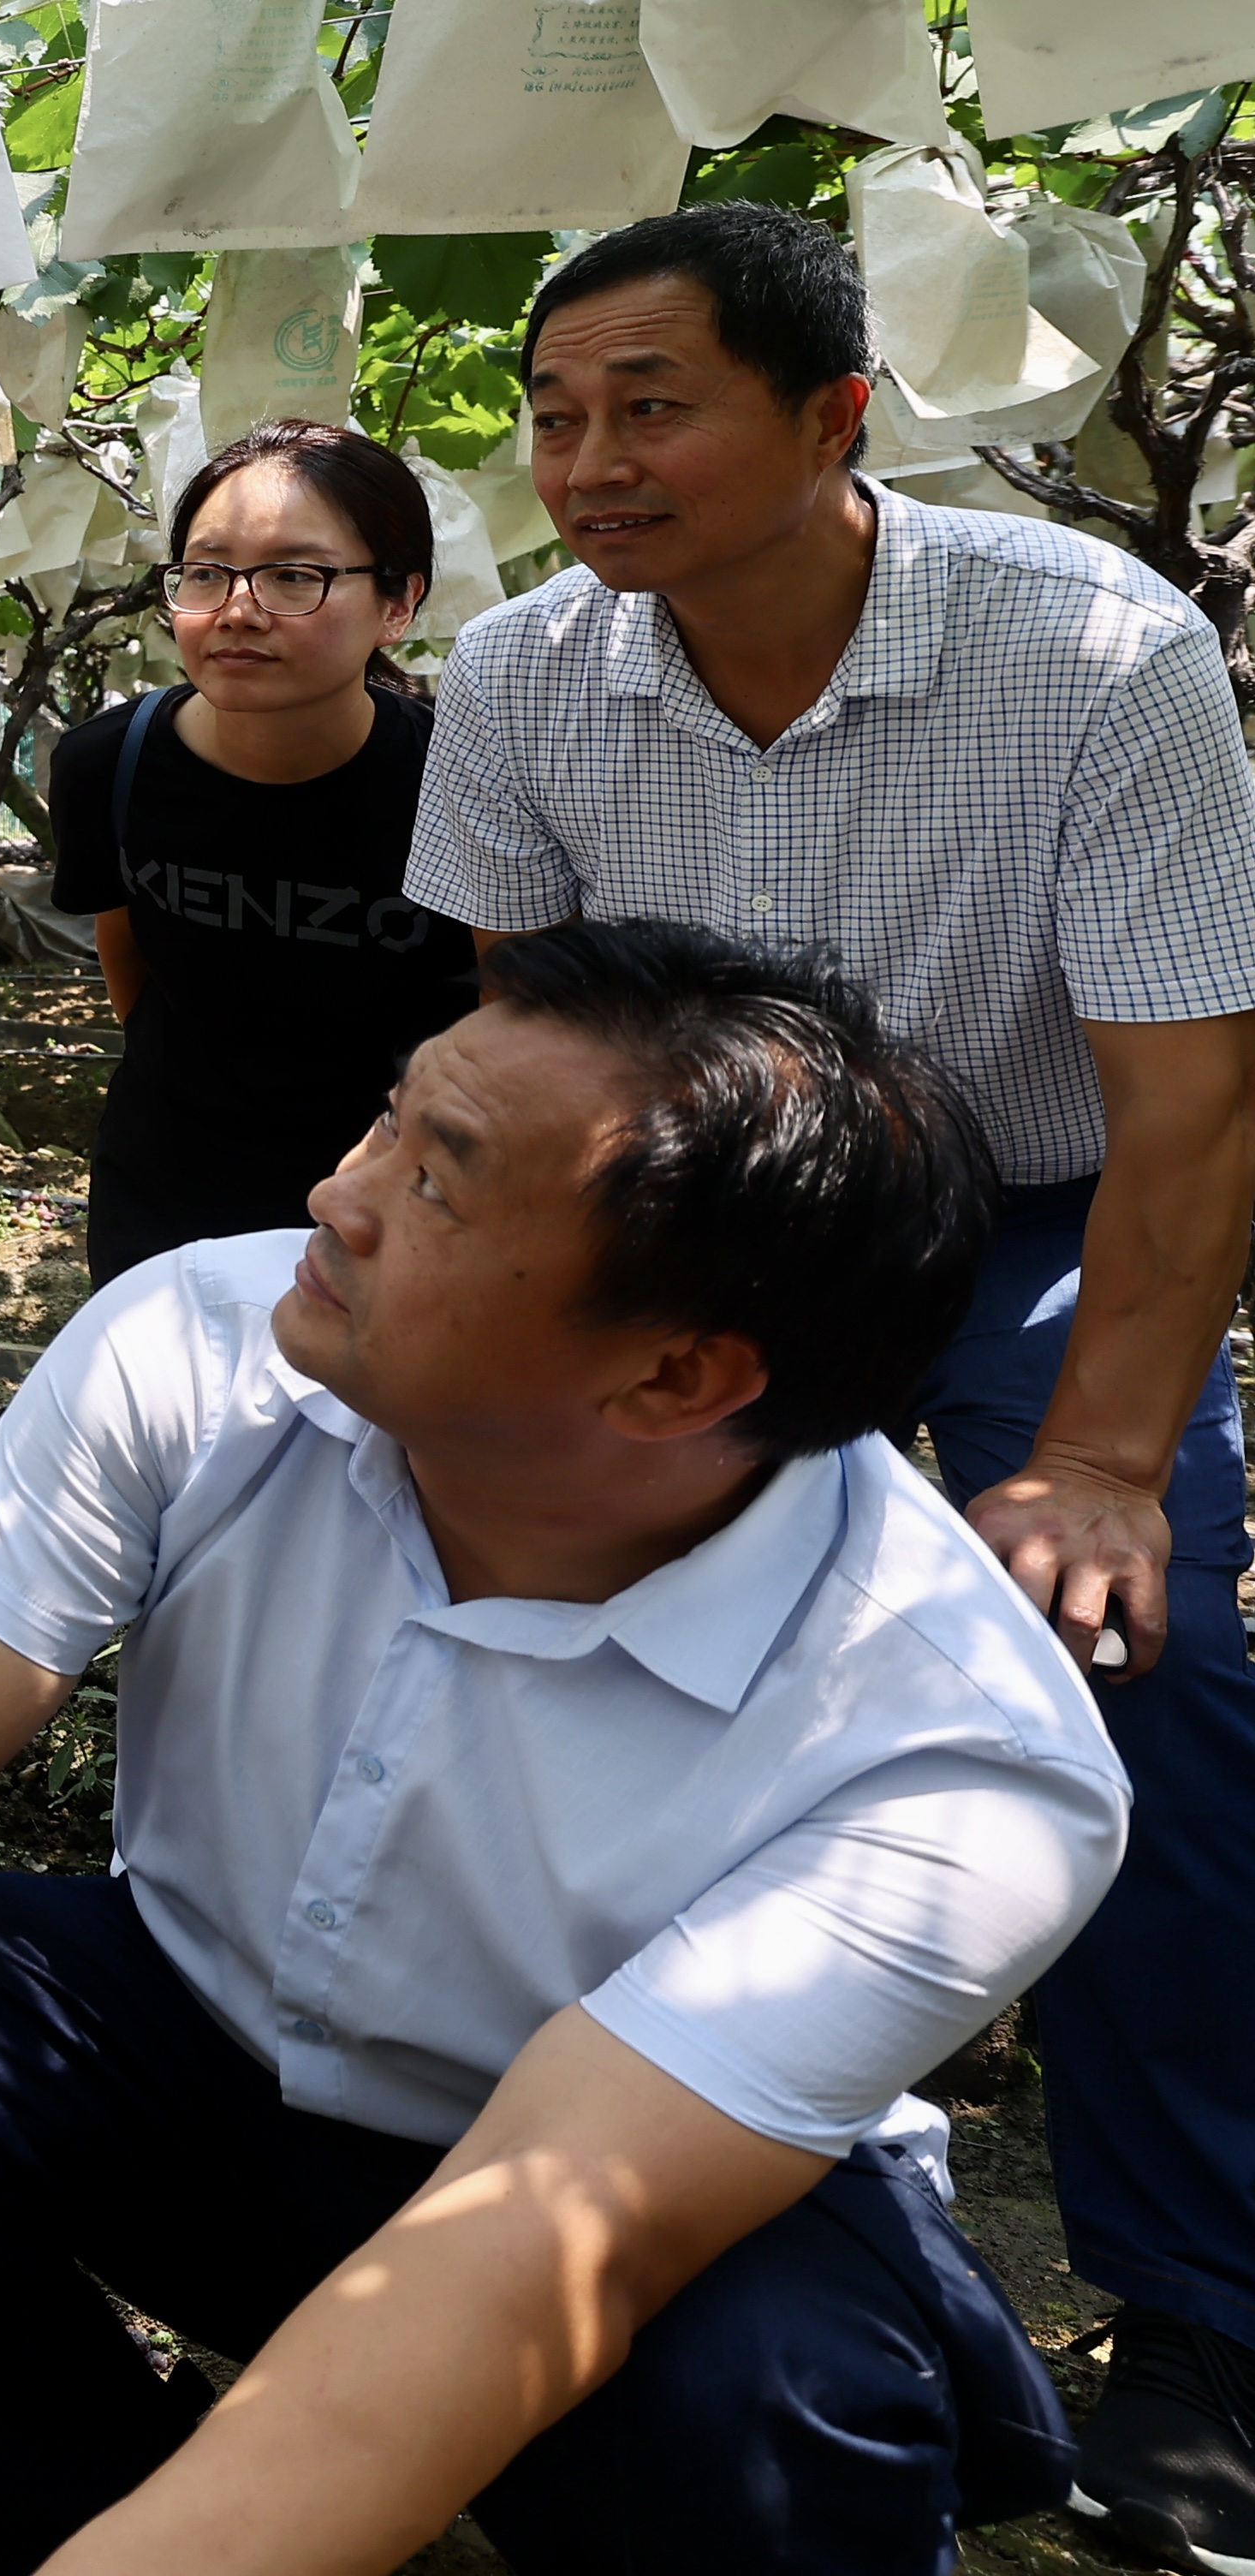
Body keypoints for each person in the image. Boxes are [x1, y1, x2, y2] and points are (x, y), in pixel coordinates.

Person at [0, 924, 1123, 2576]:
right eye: (390, 1112)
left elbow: (535, 2235)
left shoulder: (956, 1753)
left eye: (440, 1175)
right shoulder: (198, 1344)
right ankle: (33, 2491)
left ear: (677, 1371)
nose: (339, 1188)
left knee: (770, 2416)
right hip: (214, 2046)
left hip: (618, 2188)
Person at [403, 204, 1255, 2563]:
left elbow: (1189, 1110)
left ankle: (1193, 2310)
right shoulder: (523, 678)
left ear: (838, 417)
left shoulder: (1101, 651)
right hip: (708, 1212)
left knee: (1120, 1672)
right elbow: (543, 1063)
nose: (590, 463)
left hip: (1029, 1210)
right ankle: (471, 2169)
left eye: (652, 406)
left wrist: (1101, 1466)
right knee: (559, 1629)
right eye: (557, 416)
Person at [46, 420, 478, 1282]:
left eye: (294, 576)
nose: (237, 609)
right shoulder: (107, 762)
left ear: (399, 603)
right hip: (163, 1192)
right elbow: (126, 949)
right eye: (206, 573)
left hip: (392, 1202)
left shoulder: (462, 782)